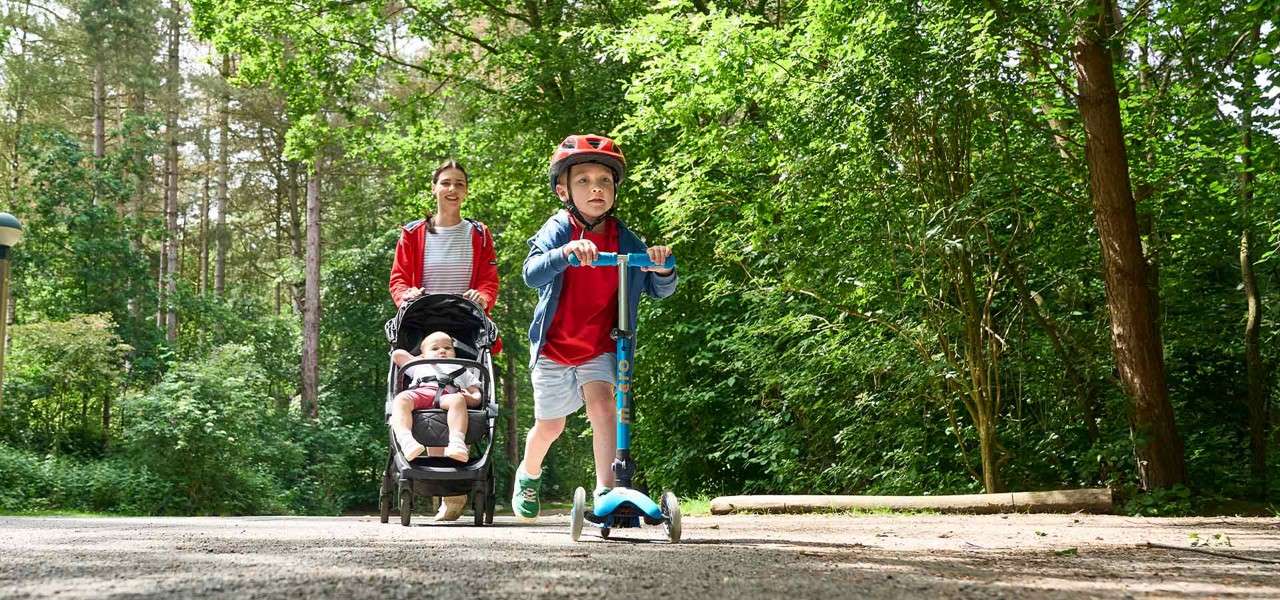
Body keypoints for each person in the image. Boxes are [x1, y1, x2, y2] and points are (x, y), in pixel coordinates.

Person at [510, 134, 677, 522]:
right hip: (554, 345)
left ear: (615, 189)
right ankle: (528, 473)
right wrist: (565, 253)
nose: (595, 188)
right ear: (563, 190)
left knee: (605, 406)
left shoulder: (623, 236)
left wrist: (662, 266)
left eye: (604, 180)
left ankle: (609, 492)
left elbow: (658, 287)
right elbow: (531, 275)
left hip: (601, 345)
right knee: (550, 425)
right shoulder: (559, 228)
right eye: (583, 180)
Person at [387, 159, 499, 521]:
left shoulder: (479, 234)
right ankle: (434, 478)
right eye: (446, 183)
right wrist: (408, 295)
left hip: (465, 325)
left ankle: (453, 490)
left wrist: (482, 296)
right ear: (434, 188)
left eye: (460, 184)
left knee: (459, 393)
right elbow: (398, 281)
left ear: (466, 191)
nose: (452, 189)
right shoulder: (413, 233)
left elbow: (489, 279)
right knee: (421, 393)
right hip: (423, 323)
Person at [389, 331, 482, 464]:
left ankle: (457, 441)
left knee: (458, 400)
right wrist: (420, 358)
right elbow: (397, 355)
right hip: (421, 393)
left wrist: (473, 398)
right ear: (423, 354)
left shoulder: (461, 367)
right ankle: (406, 440)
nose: (442, 351)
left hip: (448, 396)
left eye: (448, 348)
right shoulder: (420, 364)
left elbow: (476, 393)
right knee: (401, 399)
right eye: (435, 348)